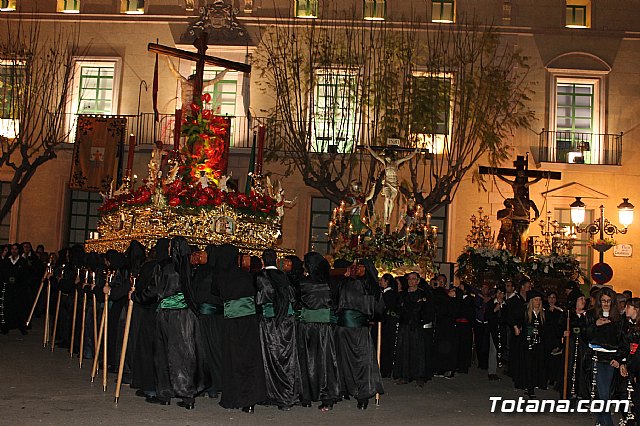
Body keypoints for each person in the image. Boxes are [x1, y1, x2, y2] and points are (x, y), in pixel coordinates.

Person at [138, 236, 203, 409]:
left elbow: (153, 290)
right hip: (187, 315)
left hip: (168, 315)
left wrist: (136, 296)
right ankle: (188, 396)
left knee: (162, 353)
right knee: (185, 354)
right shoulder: (190, 267)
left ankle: (165, 394)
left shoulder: (165, 267)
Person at [214, 243, 266, 413]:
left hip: (232, 322)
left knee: (233, 359)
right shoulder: (245, 276)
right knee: (249, 359)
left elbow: (216, 295)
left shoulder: (220, 276)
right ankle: (250, 400)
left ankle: (234, 397)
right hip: (249, 322)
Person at [334, 261, 384, 409]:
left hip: (359, 329)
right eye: (355, 267)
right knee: (343, 360)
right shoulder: (345, 283)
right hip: (343, 328)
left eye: (361, 267)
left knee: (362, 362)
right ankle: (345, 388)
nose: (357, 269)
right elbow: (335, 300)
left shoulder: (370, 286)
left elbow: (378, 308)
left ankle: (363, 394)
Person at [255, 249, 299, 410]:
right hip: (286, 320)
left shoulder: (261, 276)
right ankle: (287, 394)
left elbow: (260, 298)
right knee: (286, 356)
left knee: (269, 358)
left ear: (262, 260)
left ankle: (271, 394)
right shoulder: (284, 276)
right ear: (277, 260)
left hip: (269, 321)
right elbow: (292, 297)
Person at [296, 252, 340, 411]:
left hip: (307, 327)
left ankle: (305, 396)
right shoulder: (331, 283)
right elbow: (336, 304)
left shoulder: (302, 282)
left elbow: (296, 303)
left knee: (306, 360)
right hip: (324, 328)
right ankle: (327, 397)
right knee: (325, 360)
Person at [130, 239, 168, 399]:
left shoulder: (153, 267)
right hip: (171, 315)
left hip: (151, 312)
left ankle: (150, 387)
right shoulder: (175, 266)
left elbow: (147, 291)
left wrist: (135, 296)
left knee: (149, 350)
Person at [584, 286, 623, 426]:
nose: (606, 304)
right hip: (596, 357)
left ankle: (601, 422)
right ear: (599, 302)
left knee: (607, 394)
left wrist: (618, 359)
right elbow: (585, 335)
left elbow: (621, 340)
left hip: (612, 359)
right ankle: (607, 423)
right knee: (603, 393)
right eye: (603, 301)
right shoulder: (590, 315)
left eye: (608, 301)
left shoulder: (619, 319)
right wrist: (595, 324)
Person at [191, 244, 224, 399]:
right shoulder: (223, 271)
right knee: (216, 350)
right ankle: (216, 385)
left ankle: (205, 385)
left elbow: (196, 293)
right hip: (219, 318)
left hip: (205, 317)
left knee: (203, 351)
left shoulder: (203, 272)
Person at [393, 271, 434, 385]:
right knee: (404, 350)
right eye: (409, 279)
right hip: (405, 326)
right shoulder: (403, 295)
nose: (411, 281)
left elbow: (428, 311)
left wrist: (420, 320)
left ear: (418, 281)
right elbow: (397, 309)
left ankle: (419, 376)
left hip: (417, 327)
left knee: (418, 351)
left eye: (413, 279)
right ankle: (404, 375)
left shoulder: (423, 294)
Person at [514, 290, 546, 397]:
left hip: (538, 343)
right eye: (535, 300)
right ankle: (529, 387)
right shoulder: (525, 311)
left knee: (536, 364)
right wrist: (516, 328)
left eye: (539, 300)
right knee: (527, 364)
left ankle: (535, 383)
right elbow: (513, 318)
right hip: (526, 342)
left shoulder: (542, 313)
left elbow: (546, 328)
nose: (537, 302)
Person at [560, 293, 588, 401]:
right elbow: (559, 327)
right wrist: (564, 332)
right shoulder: (567, 315)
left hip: (582, 346)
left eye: (584, 299)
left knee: (581, 368)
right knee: (569, 366)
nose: (583, 301)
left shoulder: (587, 315)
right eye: (580, 299)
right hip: (570, 346)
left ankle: (580, 393)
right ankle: (566, 394)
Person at [619, 298, 640, 424]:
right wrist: (622, 362)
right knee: (623, 395)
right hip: (630, 366)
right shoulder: (626, 324)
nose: (626, 309)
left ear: (636, 309)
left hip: (636, 368)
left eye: (628, 307)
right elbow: (624, 345)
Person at [0, 243, 28, 335]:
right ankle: (6, 326)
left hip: (19, 289)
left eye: (16, 249)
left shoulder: (22, 261)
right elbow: (2, 273)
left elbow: (25, 275)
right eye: (12, 249)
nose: (14, 251)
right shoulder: (6, 261)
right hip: (8, 288)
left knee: (19, 307)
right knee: (7, 307)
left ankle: (21, 326)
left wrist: (17, 279)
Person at [485, 285, 508, 381]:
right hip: (493, 329)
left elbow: (507, 318)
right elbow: (487, 316)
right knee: (493, 350)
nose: (500, 295)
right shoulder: (491, 303)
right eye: (498, 293)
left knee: (500, 349)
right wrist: (495, 310)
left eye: (502, 293)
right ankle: (491, 372)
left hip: (502, 330)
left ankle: (499, 370)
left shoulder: (506, 305)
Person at [378, 273, 399, 378]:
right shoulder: (385, 293)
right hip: (386, 323)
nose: (380, 282)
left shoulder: (389, 294)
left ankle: (386, 369)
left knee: (386, 346)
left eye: (382, 280)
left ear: (386, 281)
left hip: (388, 324)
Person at [544, 291, 564, 389]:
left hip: (555, 338)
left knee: (555, 359)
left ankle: (553, 378)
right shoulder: (544, 310)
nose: (552, 300)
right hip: (546, 337)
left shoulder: (559, 311)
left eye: (554, 297)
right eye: (550, 297)